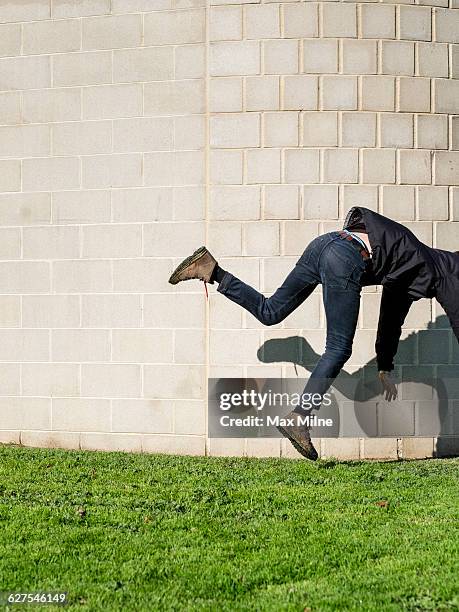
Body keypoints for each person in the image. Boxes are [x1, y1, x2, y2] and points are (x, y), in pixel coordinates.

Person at [168, 206, 459, 460]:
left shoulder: (417, 257)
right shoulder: (436, 271)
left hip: (325, 244)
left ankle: (211, 269)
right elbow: (394, 315)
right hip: (346, 257)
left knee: (271, 312)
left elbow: (394, 313)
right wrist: (385, 363)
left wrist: (384, 363)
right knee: (339, 348)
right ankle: (300, 417)